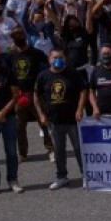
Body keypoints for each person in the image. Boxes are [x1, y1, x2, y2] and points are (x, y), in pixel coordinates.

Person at [35, 49, 87, 190]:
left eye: (60, 57)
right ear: (49, 59)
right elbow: (37, 96)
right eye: (55, 57)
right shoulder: (43, 76)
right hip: (54, 120)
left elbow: (83, 90)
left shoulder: (73, 73)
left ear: (65, 58)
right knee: (59, 150)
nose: (57, 60)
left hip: (72, 119)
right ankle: (61, 177)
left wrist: (80, 109)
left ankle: (85, 175)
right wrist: (41, 114)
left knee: (78, 148)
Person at [8, 27, 52, 162]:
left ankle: (50, 149)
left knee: (43, 122)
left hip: (35, 93)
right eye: (15, 36)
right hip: (19, 95)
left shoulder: (36, 53)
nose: (18, 38)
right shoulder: (12, 55)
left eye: (20, 35)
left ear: (25, 36)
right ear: (13, 39)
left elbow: (48, 67)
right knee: (20, 126)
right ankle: (23, 153)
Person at [0, 47, 21, 194]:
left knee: (11, 151)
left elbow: (15, 95)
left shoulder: (8, 73)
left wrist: (3, 112)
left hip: (8, 117)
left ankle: (13, 180)